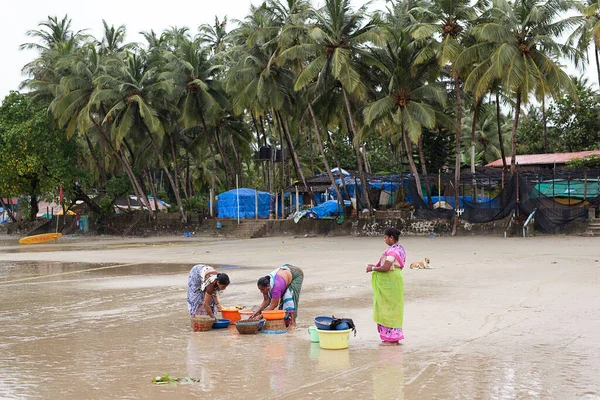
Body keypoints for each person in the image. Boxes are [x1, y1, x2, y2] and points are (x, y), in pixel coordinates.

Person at [366, 227, 406, 345]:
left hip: (391, 282)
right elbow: (390, 265)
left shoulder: (393, 251)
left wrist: (372, 268)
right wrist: (374, 266)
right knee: (393, 307)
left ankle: (391, 335)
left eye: (385, 238)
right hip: (394, 280)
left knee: (389, 307)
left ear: (391, 238)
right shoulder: (400, 249)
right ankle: (391, 335)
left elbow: (386, 267)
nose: (385, 240)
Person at [252, 264, 304, 328]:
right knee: (281, 299)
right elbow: (266, 301)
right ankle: (286, 320)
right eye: (260, 289)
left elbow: (274, 305)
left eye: (262, 289)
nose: (261, 291)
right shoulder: (265, 285)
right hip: (284, 273)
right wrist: (256, 312)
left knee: (289, 296)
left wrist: (260, 316)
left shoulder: (275, 288)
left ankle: (293, 322)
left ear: (268, 286)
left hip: (296, 274)